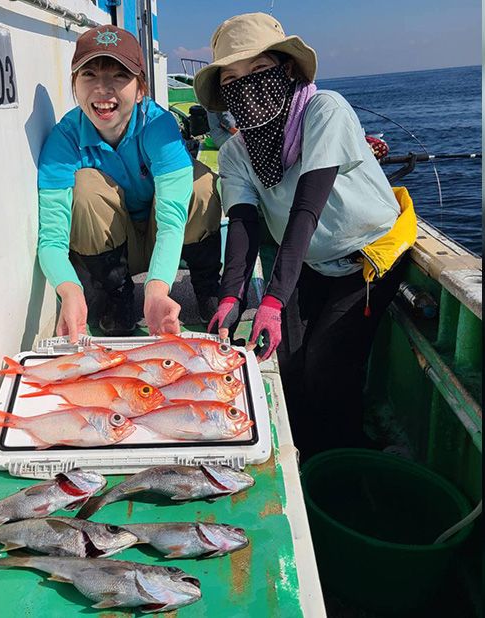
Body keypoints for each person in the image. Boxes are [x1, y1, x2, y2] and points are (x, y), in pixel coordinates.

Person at [195, 14, 418, 456]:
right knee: (289, 366)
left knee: (327, 368)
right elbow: (242, 222)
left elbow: (306, 208)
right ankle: (308, 454)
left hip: (369, 259)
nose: (247, 85)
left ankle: (348, 455)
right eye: (233, 78)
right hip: (309, 262)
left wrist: (273, 300)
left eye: (259, 71)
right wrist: (229, 298)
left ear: (289, 68)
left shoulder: (325, 109)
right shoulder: (237, 150)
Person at [37, 26, 223, 340]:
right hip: (114, 251)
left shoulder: (159, 126)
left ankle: (206, 287)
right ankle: (116, 297)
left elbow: (172, 220)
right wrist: (68, 290)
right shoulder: (63, 139)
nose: (102, 89)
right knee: (85, 187)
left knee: (201, 185)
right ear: (74, 84)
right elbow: (52, 239)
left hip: (162, 238)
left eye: (119, 76)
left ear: (140, 90)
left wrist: (156, 287)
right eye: (89, 74)